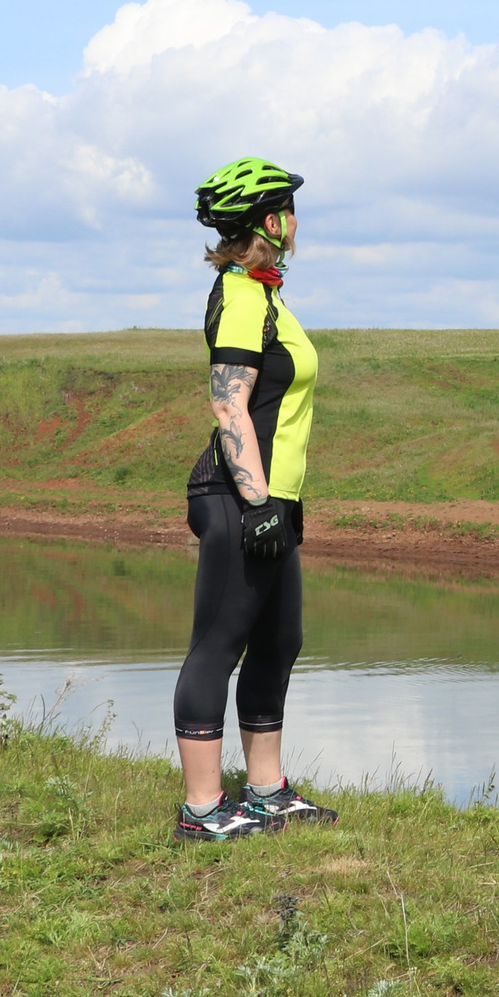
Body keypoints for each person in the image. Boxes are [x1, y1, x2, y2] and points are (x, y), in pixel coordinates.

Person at [172, 157, 339, 841]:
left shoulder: (266, 296)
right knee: (220, 642)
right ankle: (203, 807)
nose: (297, 221)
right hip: (239, 497)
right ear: (267, 220)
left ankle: (266, 791)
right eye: (288, 209)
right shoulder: (241, 294)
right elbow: (228, 402)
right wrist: (256, 500)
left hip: (275, 499)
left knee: (279, 640)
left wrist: (278, 504)